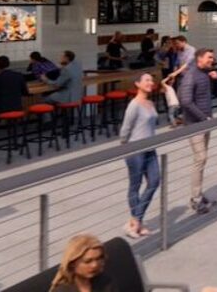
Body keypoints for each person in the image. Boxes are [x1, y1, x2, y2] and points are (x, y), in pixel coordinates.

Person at [119, 73, 161, 238]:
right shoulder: (134, 105)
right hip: (135, 149)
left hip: (150, 148)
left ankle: (135, 221)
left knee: (155, 181)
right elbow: (125, 129)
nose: (151, 83)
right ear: (137, 84)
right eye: (147, 80)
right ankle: (138, 223)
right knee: (135, 185)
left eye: (152, 80)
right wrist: (124, 146)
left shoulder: (151, 103)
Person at [181, 48, 217, 214]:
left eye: (213, 57)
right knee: (200, 158)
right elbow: (185, 101)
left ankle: (198, 193)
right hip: (195, 124)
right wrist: (203, 118)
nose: (212, 60)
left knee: (202, 159)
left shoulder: (207, 73)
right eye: (209, 57)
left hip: (205, 123)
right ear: (199, 58)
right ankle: (195, 198)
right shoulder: (191, 75)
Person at [49, 234, 117, 292]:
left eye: (98, 259)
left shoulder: (105, 283)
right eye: (87, 261)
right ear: (72, 263)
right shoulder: (62, 290)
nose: (95, 265)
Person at [0, 56, 27, 130]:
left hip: (1, 109)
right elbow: (25, 92)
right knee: (5, 106)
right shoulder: (18, 75)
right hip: (17, 107)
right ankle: (7, 125)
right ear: (8, 64)